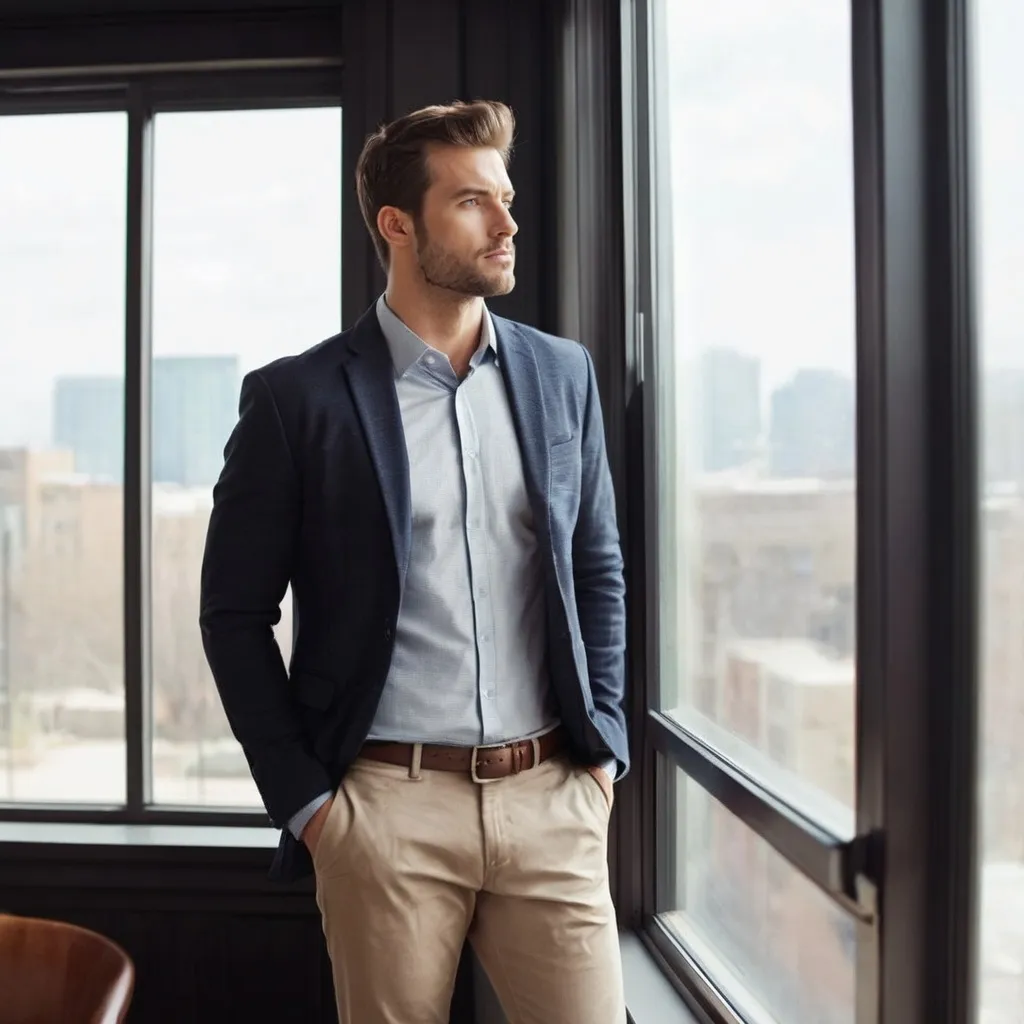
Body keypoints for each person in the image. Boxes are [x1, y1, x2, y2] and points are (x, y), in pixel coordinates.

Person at [199, 99, 628, 1024]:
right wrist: (309, 803)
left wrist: (605, 755)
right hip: (384, 811)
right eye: (474, 201)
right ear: (399, 224)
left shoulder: (564, 375)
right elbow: (232, 614)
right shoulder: (295, 401)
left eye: (506, 198)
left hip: (553, 798)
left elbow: (596, 567)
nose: (508, 224)